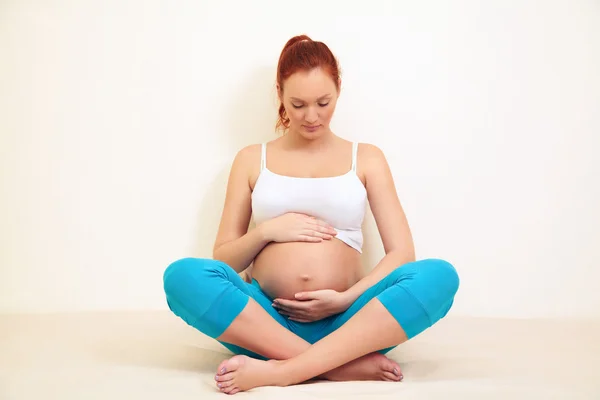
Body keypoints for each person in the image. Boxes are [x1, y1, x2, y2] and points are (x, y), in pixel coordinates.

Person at [163, 34, 460, 395]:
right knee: (182, 277)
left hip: (352, 323)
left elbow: (401, 254)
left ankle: (282, 371)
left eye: (323, 102)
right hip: (265, 322)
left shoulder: (366, 158)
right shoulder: (250, 159)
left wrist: (345, 300)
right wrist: (268, 231)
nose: (312, 116)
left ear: (338, 90)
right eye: (298, 104)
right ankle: (339, 367)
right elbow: (224, 256)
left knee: (439, 277)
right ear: (280, 94)